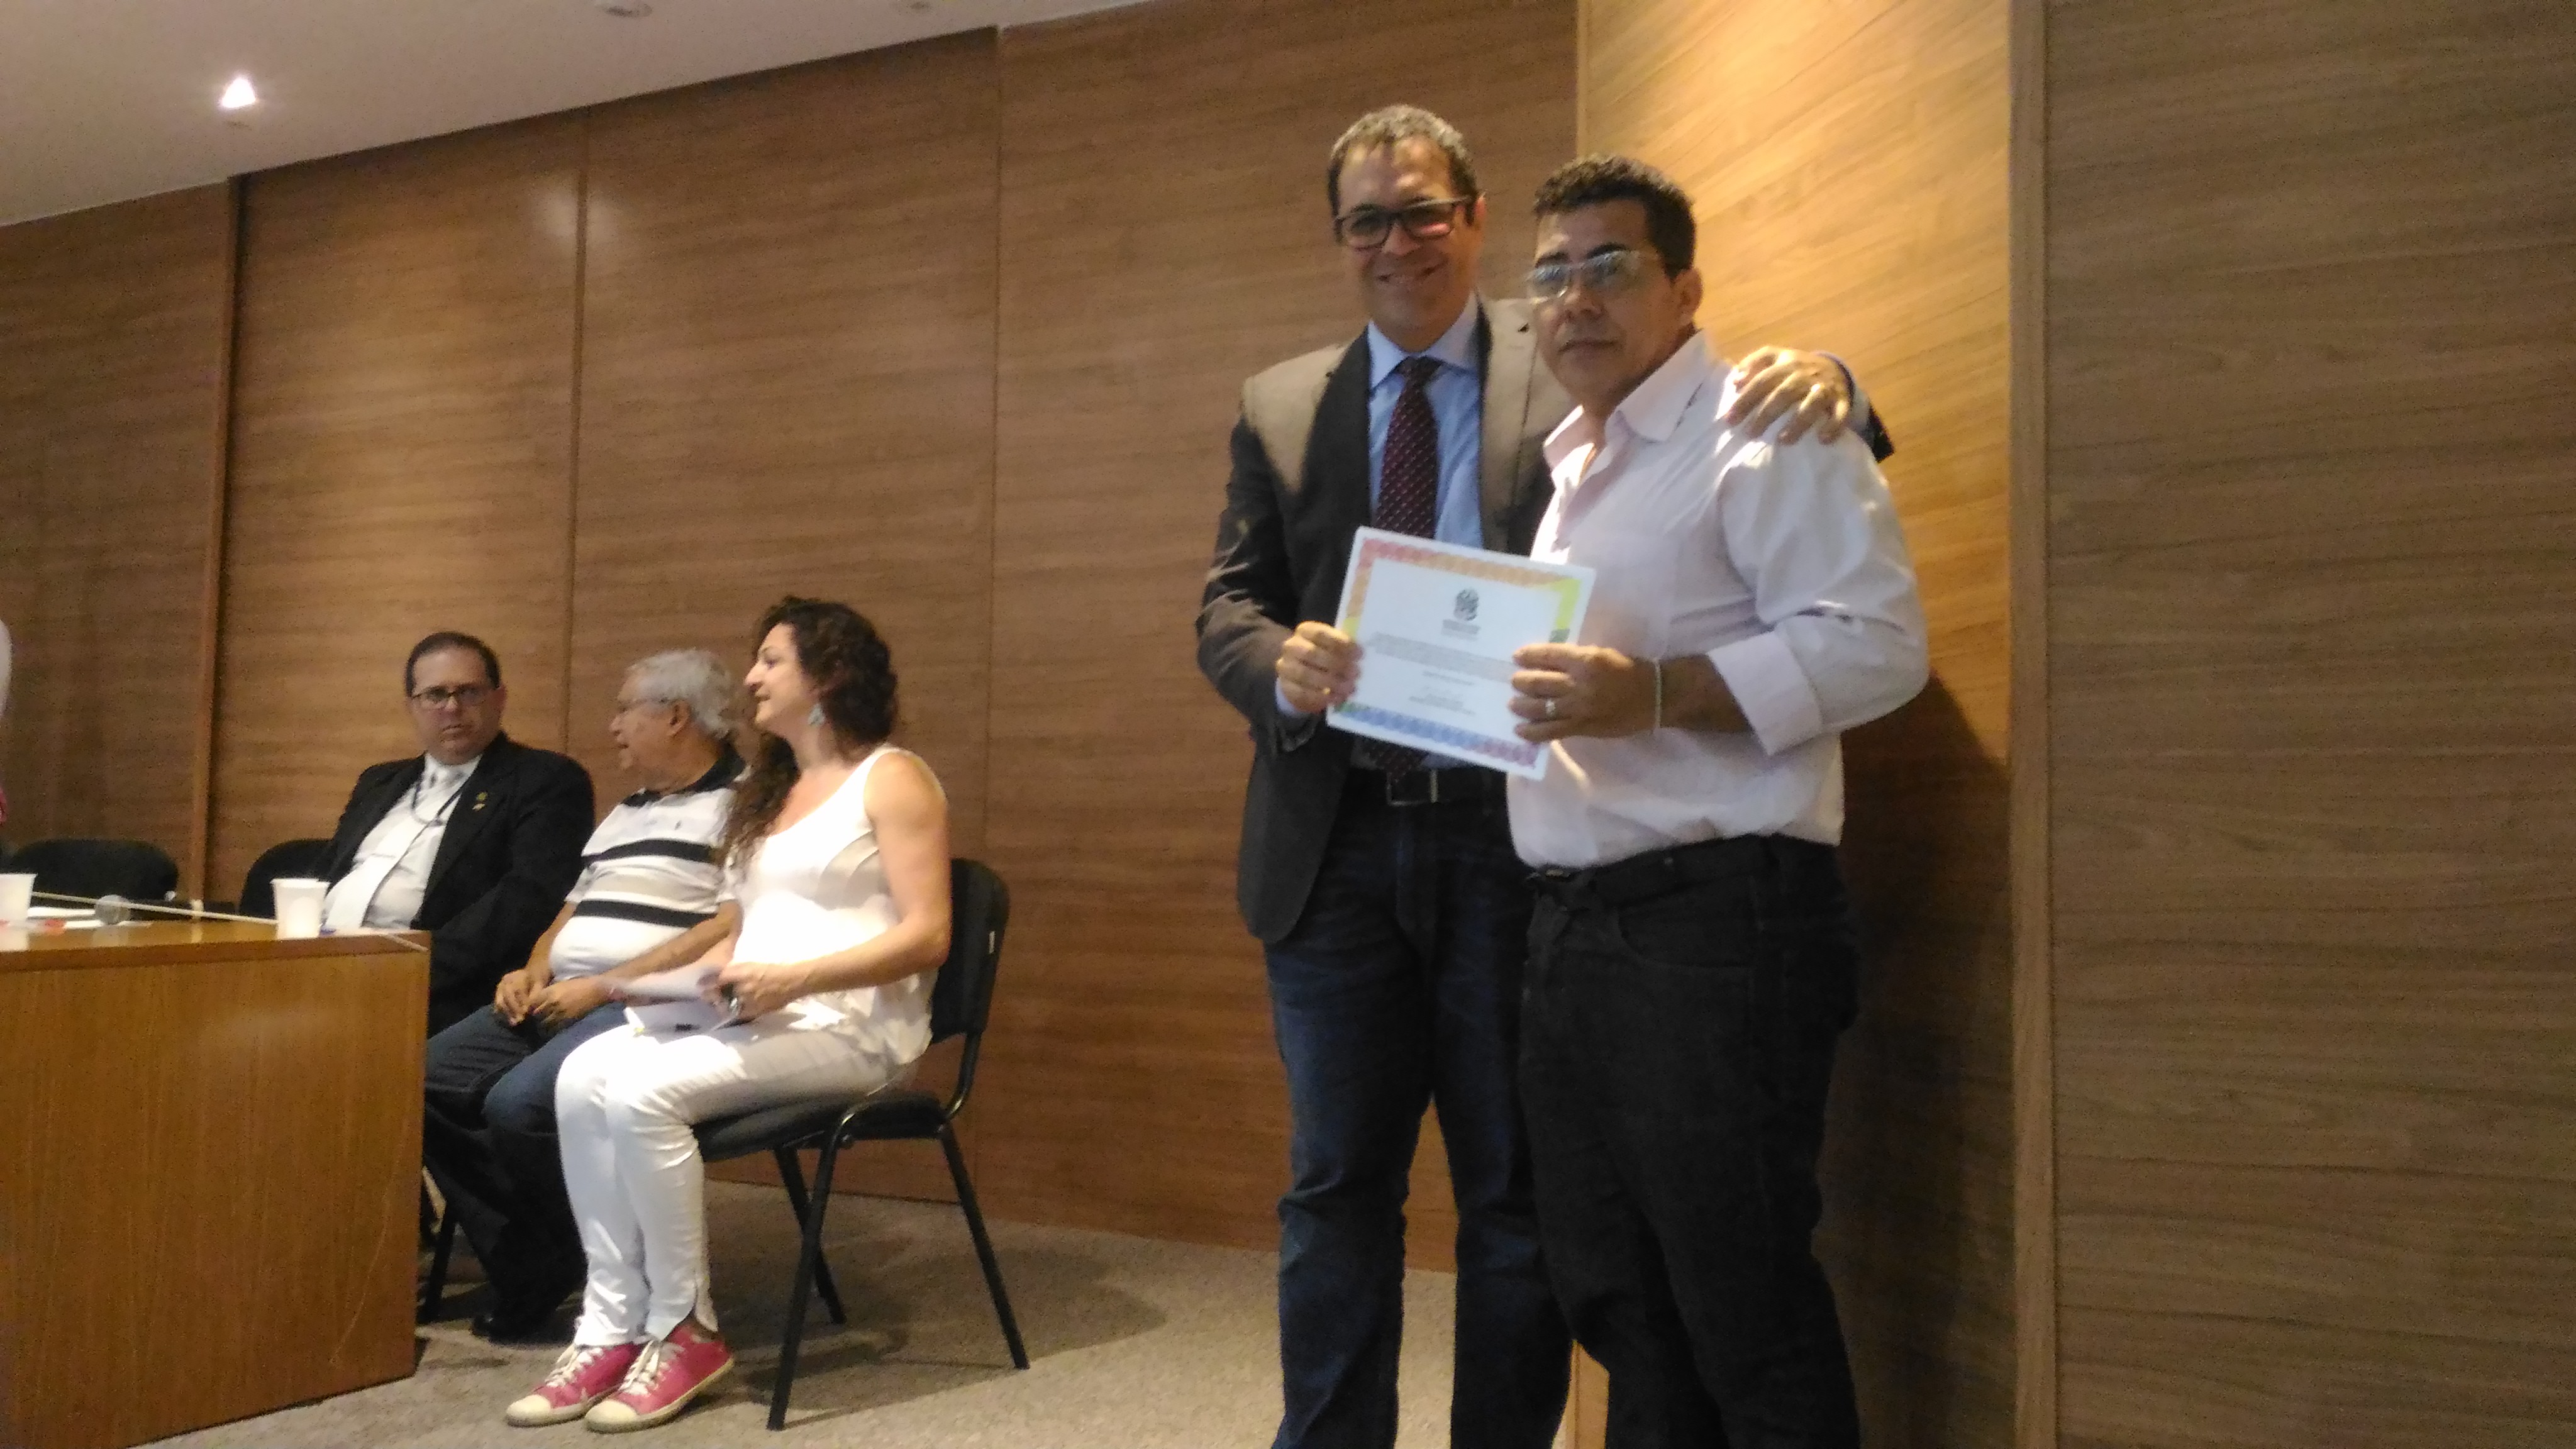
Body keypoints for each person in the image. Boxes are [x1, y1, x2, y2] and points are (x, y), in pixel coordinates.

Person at [1194, 105, 1893, 1449]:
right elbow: (1228, 602)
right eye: (1365, 221)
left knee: (1520, 1194)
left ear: (1470, 217)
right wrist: (1277, 661)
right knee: (1335, 1182)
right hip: (1334, 843)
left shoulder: (1577, 346)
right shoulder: (1279, 403)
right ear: (1338, 239)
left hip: (1509, 833)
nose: (1395, 242)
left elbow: (1727, 410)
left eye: (1421, 211)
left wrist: (1837, 384)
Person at [1501, 156, 1929, 1448]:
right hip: (1578, 928)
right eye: (1551, 273)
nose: (1575, 297)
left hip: (1716, 926)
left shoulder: (1767, 424)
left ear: (1685, 288)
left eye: (1610, 265)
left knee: (1740, 1305)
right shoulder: (1575, 466)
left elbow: (1878, 647)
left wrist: (1653, 693)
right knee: (1620, 1298)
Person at [504, 598, 951, 1433]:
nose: (751, 677)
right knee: (580, 1077)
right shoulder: (771, 794)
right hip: (760, 1017)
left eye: (772, 661)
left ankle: (686, 1330)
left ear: (830, 675)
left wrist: (798, 977)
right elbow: (747, 932)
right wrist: (656, 984)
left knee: (643, 1094)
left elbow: (929, 935)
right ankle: (611, 1325)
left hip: (852, 1029)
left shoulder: (892, 778)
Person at [421, 648, 748, 1343]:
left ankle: (565, 1263)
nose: (614, 726)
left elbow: (729, 924)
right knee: (424, 1079)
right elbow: (573, 908)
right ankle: (546, 1251)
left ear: (676, 716)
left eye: (626, 710)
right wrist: (532, 969)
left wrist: (605, 984)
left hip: (649, 1005)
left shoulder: (747, 804)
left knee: (518, 1105)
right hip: (562, 994)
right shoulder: (629, 810)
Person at [318, 631, 594, 1036]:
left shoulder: (546, 780)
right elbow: (327, 877)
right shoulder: (378, 782)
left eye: (469, 692)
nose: (452, 708)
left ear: (499, 699)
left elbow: (526, 900)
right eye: (435, 695)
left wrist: (406, 966)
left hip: (434, 987)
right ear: (412, 707)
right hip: (320, 963)